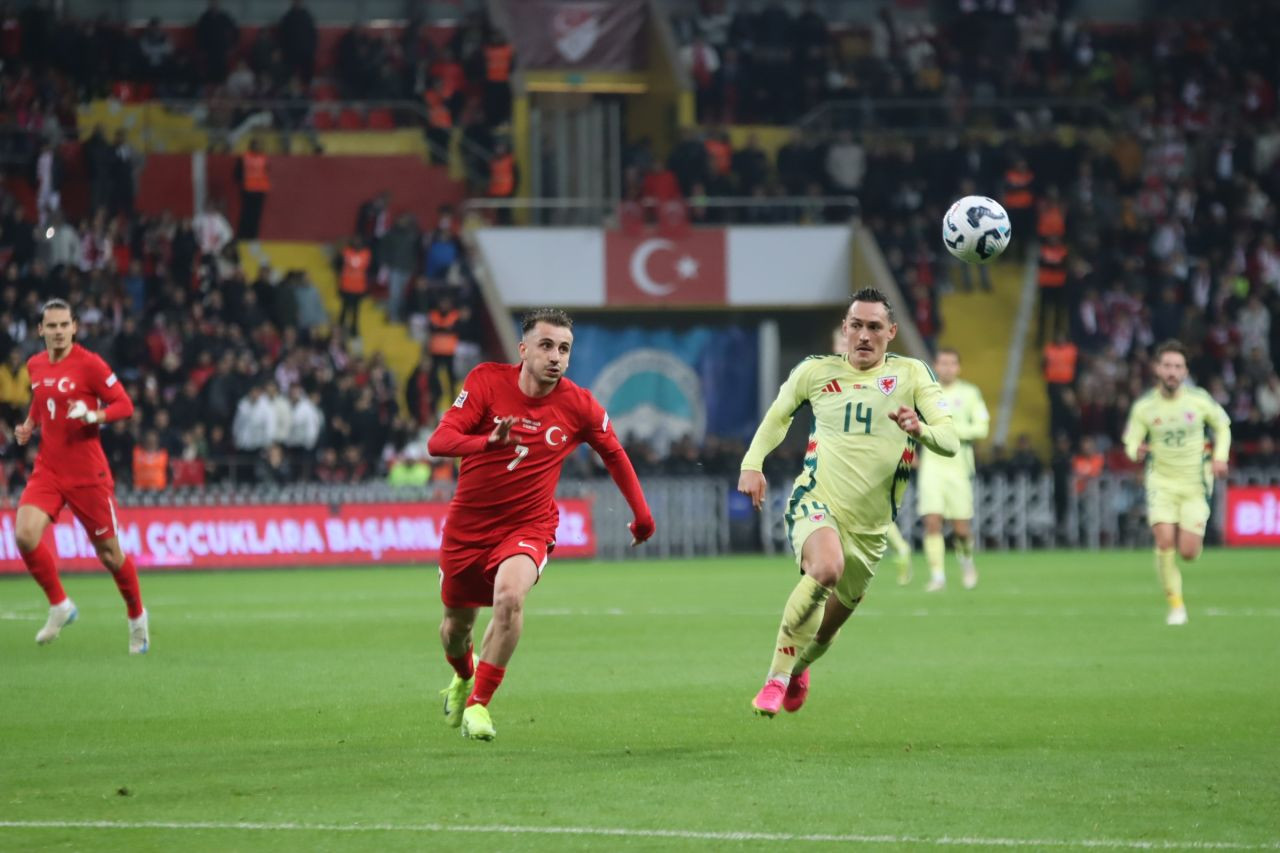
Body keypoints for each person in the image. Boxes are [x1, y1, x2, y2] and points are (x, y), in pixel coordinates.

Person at [428, 308, 656, 741]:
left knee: (510, 598)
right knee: (455, 629)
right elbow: (438, 441)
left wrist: (642, 515)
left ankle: (479, 704)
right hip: (468, 527)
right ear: (524, 349)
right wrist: (484, 442)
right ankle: (463, 676)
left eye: (564, 349)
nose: (555, 356)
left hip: (528, 526)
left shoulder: (578, 404)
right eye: (547, 345)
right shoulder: (485, 381)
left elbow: (614, 453)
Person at [739, 288, 958, 717]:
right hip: (817, 501)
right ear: (844, 329)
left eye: (874, 327)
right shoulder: (815, 372)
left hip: (872, 528)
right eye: (855, 325)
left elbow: (949, 438)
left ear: (891, 332)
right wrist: (752, 462)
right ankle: (775, 678)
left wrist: (921, 430)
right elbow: (779, 414)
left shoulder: (913, 375)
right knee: (825, 568)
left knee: (826, 630)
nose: (863, 335)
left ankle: (800, 668)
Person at [12, 299, 147, 654]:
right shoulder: (35, 364)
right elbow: (43, 400)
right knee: (25, 536)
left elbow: (125, 405)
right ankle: (60, 605)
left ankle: (137, 619)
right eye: (51, 326)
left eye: (63, 325)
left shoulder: (90, 364)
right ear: (40, 330)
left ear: (74, 327)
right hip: (48, 470)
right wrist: (30, 424)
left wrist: (94, 415)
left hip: (88, 474)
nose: (57, 332)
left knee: (110, 556)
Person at [1121, 340, 1231, 626]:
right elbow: (1131, 440)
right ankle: (1176, 605)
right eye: (1167, 365)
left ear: (1185, 371)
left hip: (1195, 484)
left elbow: (1223, 425)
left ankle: (1187, 555)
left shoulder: (1199, 400)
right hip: (1161, 482)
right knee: (1164, 539)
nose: (1172, 371)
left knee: (1189, 552)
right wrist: (1136, 451)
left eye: (1178, 367)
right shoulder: (1145, 407)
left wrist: (1220, 456)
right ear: (1157, 369)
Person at [832, 323, 912, 583]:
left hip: (869, 454)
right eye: (838, 345)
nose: (841, 349)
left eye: (844, 344)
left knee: (857, 510)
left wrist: (906, 446)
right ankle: (852, 565)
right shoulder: (830, 378)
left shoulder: (878, 377)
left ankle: (854, 566)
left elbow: (892, 412)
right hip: (842, 455)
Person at [917, 349, 990, 592]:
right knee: (932, 521)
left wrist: (952, 430)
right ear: (936, 366)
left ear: (958, 367)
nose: (947, 368)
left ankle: (967, 564)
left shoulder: (970, 393)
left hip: (959, 467)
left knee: (961, 528)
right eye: (943, 363)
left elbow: (981, 428)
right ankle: (937, 576)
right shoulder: (926, 392)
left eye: (952, 363)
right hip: (932, 466)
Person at [235, 139, 270, 240]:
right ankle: (244, 235)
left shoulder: (263, 157)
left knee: (255, 215)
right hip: (248, 190)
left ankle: (252, 236)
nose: (258, 148)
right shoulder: (245, 157)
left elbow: (266, 172)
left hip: (259, 190)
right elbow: (237, 174)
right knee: (247, 214)